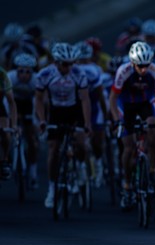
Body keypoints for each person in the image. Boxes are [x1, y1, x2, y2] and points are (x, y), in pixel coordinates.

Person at [109, 41, 155, 210]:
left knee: (154, 129)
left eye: (146, 65)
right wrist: (117, 119)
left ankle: (154, 170)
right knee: (128, 146)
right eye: (140, 66)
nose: (143, 69)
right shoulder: (123, 71)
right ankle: (127, 184)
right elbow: (112, 98)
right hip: (126, 106)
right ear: (132, 63)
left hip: (145, 104)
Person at [35, 42, 91, 208]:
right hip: (56, 112)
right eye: (66, 64)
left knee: (80, 143)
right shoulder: (44, 74)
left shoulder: (79, 74)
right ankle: (52, 189)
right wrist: (42, 120)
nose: (69, 67)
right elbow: (38, 99)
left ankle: (80, 165)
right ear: (56, 63)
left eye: (72, 63)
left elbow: (85, 99)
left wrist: (87, 123)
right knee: (53, 149)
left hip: (74, 111)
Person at [74, 41, 107, 189]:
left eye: (85, 59)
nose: (82, 63)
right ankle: (79, 168)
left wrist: (106, 114)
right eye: (80, 60)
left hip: (94, 107)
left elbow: (100, 95)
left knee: (97, 142)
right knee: (77, 143)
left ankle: (99, 162)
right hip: (76, 108)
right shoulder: (71, 70)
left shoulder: (96, 70)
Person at [7, 53, 39, 188]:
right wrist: (10, 119)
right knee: (6, 134)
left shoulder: (36, 80)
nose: (24, 75)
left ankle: (32, 171)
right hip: (13, 104)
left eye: (28, 71)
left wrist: (35, 121)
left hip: (29, 105)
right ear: (16, 70)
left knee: (32, 139)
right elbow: (6, 101)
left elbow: (38, 102)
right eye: (21, 71)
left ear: (32, 71)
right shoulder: (10, 78)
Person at [0, 66, 17, 179]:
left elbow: (11, 102)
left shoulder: (2, 74)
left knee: (5, 132)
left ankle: (5, 160)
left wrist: (14, 125)